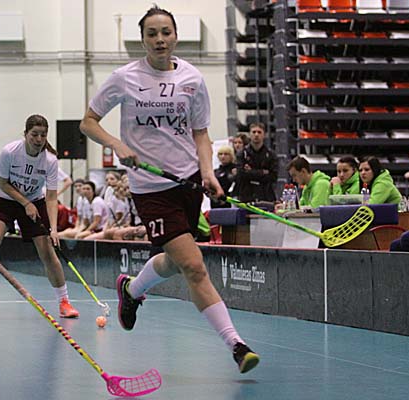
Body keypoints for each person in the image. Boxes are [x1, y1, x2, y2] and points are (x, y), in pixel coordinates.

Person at [78, 5, 259, 373]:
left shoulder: (192, 78)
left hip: (188, 182)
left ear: (175, 36)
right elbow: (88, 122)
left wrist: (207, 172)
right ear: (142, 39)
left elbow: (200, 133)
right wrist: (117, 144)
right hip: (151, 188)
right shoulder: (124, 78)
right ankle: (237, 345)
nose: (159, 40)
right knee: (193, 265)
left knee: (176, 262)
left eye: (165, 32)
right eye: (152, 34)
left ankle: (131, 289)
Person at [0, 114, 79, 319]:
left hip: (36, 201)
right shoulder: (10, 152)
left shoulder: (50, 161)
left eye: (43, 135)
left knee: (47, 251)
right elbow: (3, 183)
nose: (39, 139)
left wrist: (54, 229)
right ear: (25, 134)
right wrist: (25, 203)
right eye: (34, 134)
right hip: (4, 199)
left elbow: (51, 197)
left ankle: (64, 302)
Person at [236, 122, 278, 203]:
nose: (256, 135)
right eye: (254, 132)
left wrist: (251, 171)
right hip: (247, 196)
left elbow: (273, 177)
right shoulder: (242, 154)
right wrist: (262, 172)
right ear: (249, 134)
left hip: (266, 195)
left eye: (259, 132)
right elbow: (241, 175)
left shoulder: (271, 154)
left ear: (264, 135)